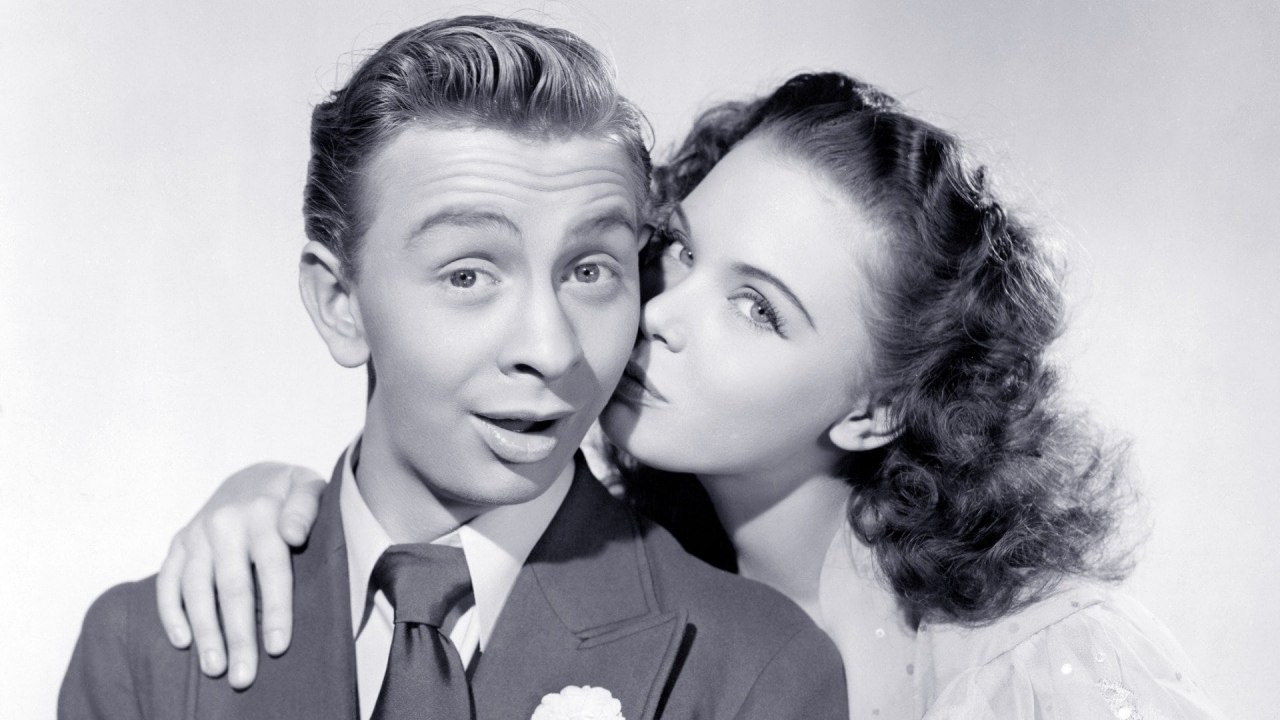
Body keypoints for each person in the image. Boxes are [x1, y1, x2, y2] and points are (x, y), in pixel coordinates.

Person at [155, 72, 1224, 720]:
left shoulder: (1040, 664)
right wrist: (282, 510)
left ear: (873, 409)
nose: (660, 312)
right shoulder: (617, 573)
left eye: (756, 309)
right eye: (677, 249)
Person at [58, 17, 850, 720]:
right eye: (469, 275)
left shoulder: (756, 672)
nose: (550, 348)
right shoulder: (142, 658)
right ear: (339, 304)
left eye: (589, 271)